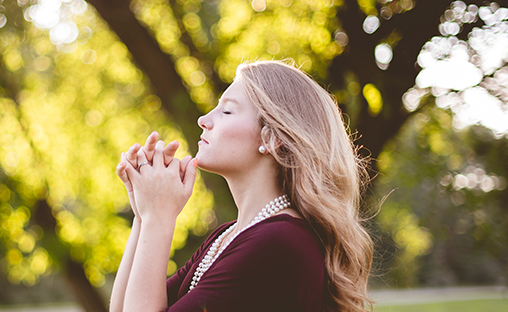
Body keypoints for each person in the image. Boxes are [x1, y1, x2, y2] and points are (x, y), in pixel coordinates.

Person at [110, 60, 373, 312]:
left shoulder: (279, 242)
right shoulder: (228, 236)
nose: (204, 118)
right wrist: (144, 215)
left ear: (273, 139)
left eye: (226, 110)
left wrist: (159, 215)